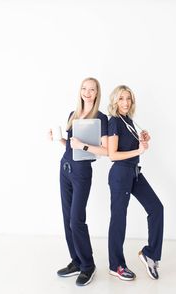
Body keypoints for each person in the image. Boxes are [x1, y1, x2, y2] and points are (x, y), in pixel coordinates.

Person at [50, 77, 108, 286]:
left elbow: (106, 151)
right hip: (64, 168)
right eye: (84, 88)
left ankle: (88, 265)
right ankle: (76, 260)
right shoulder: (72, 115)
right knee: (67, 219)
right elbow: (70, 146)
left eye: (92, 89)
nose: (87, 92)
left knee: (77, 220)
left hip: (82, 172)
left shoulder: (100, 118)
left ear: (97, 93)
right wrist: (59, 140)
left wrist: (82, 145)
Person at [107, 85, 164, 281]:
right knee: (119, 219)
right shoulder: (114, 121)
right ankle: (116, 265)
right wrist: (138, 151)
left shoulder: (129, 121)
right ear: (115, 101)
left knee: (156, 208)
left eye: (128, 99)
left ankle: (150, 253)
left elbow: (131, 145)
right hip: (120, 174)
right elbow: (112, 155)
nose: (125, 102)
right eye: (121, 98)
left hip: (134, 173)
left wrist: (142, 138)